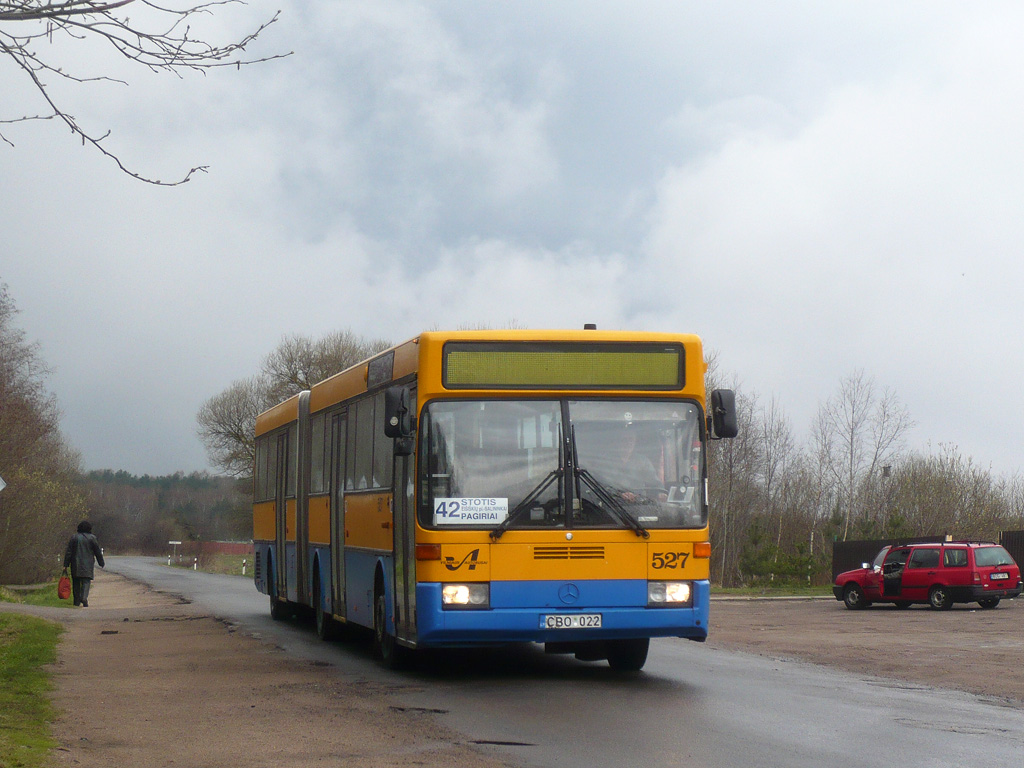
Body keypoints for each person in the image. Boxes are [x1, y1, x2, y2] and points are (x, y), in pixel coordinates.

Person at [63, 521, 105, 607]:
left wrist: (66, 564)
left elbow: (69, 552)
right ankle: (84, 597)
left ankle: (76, 601)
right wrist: (101, 562)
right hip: (88, 564)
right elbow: (97, 551)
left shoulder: (74, 537)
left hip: (75, 563)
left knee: (76, 582)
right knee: (86, 581)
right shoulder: (92, 538)